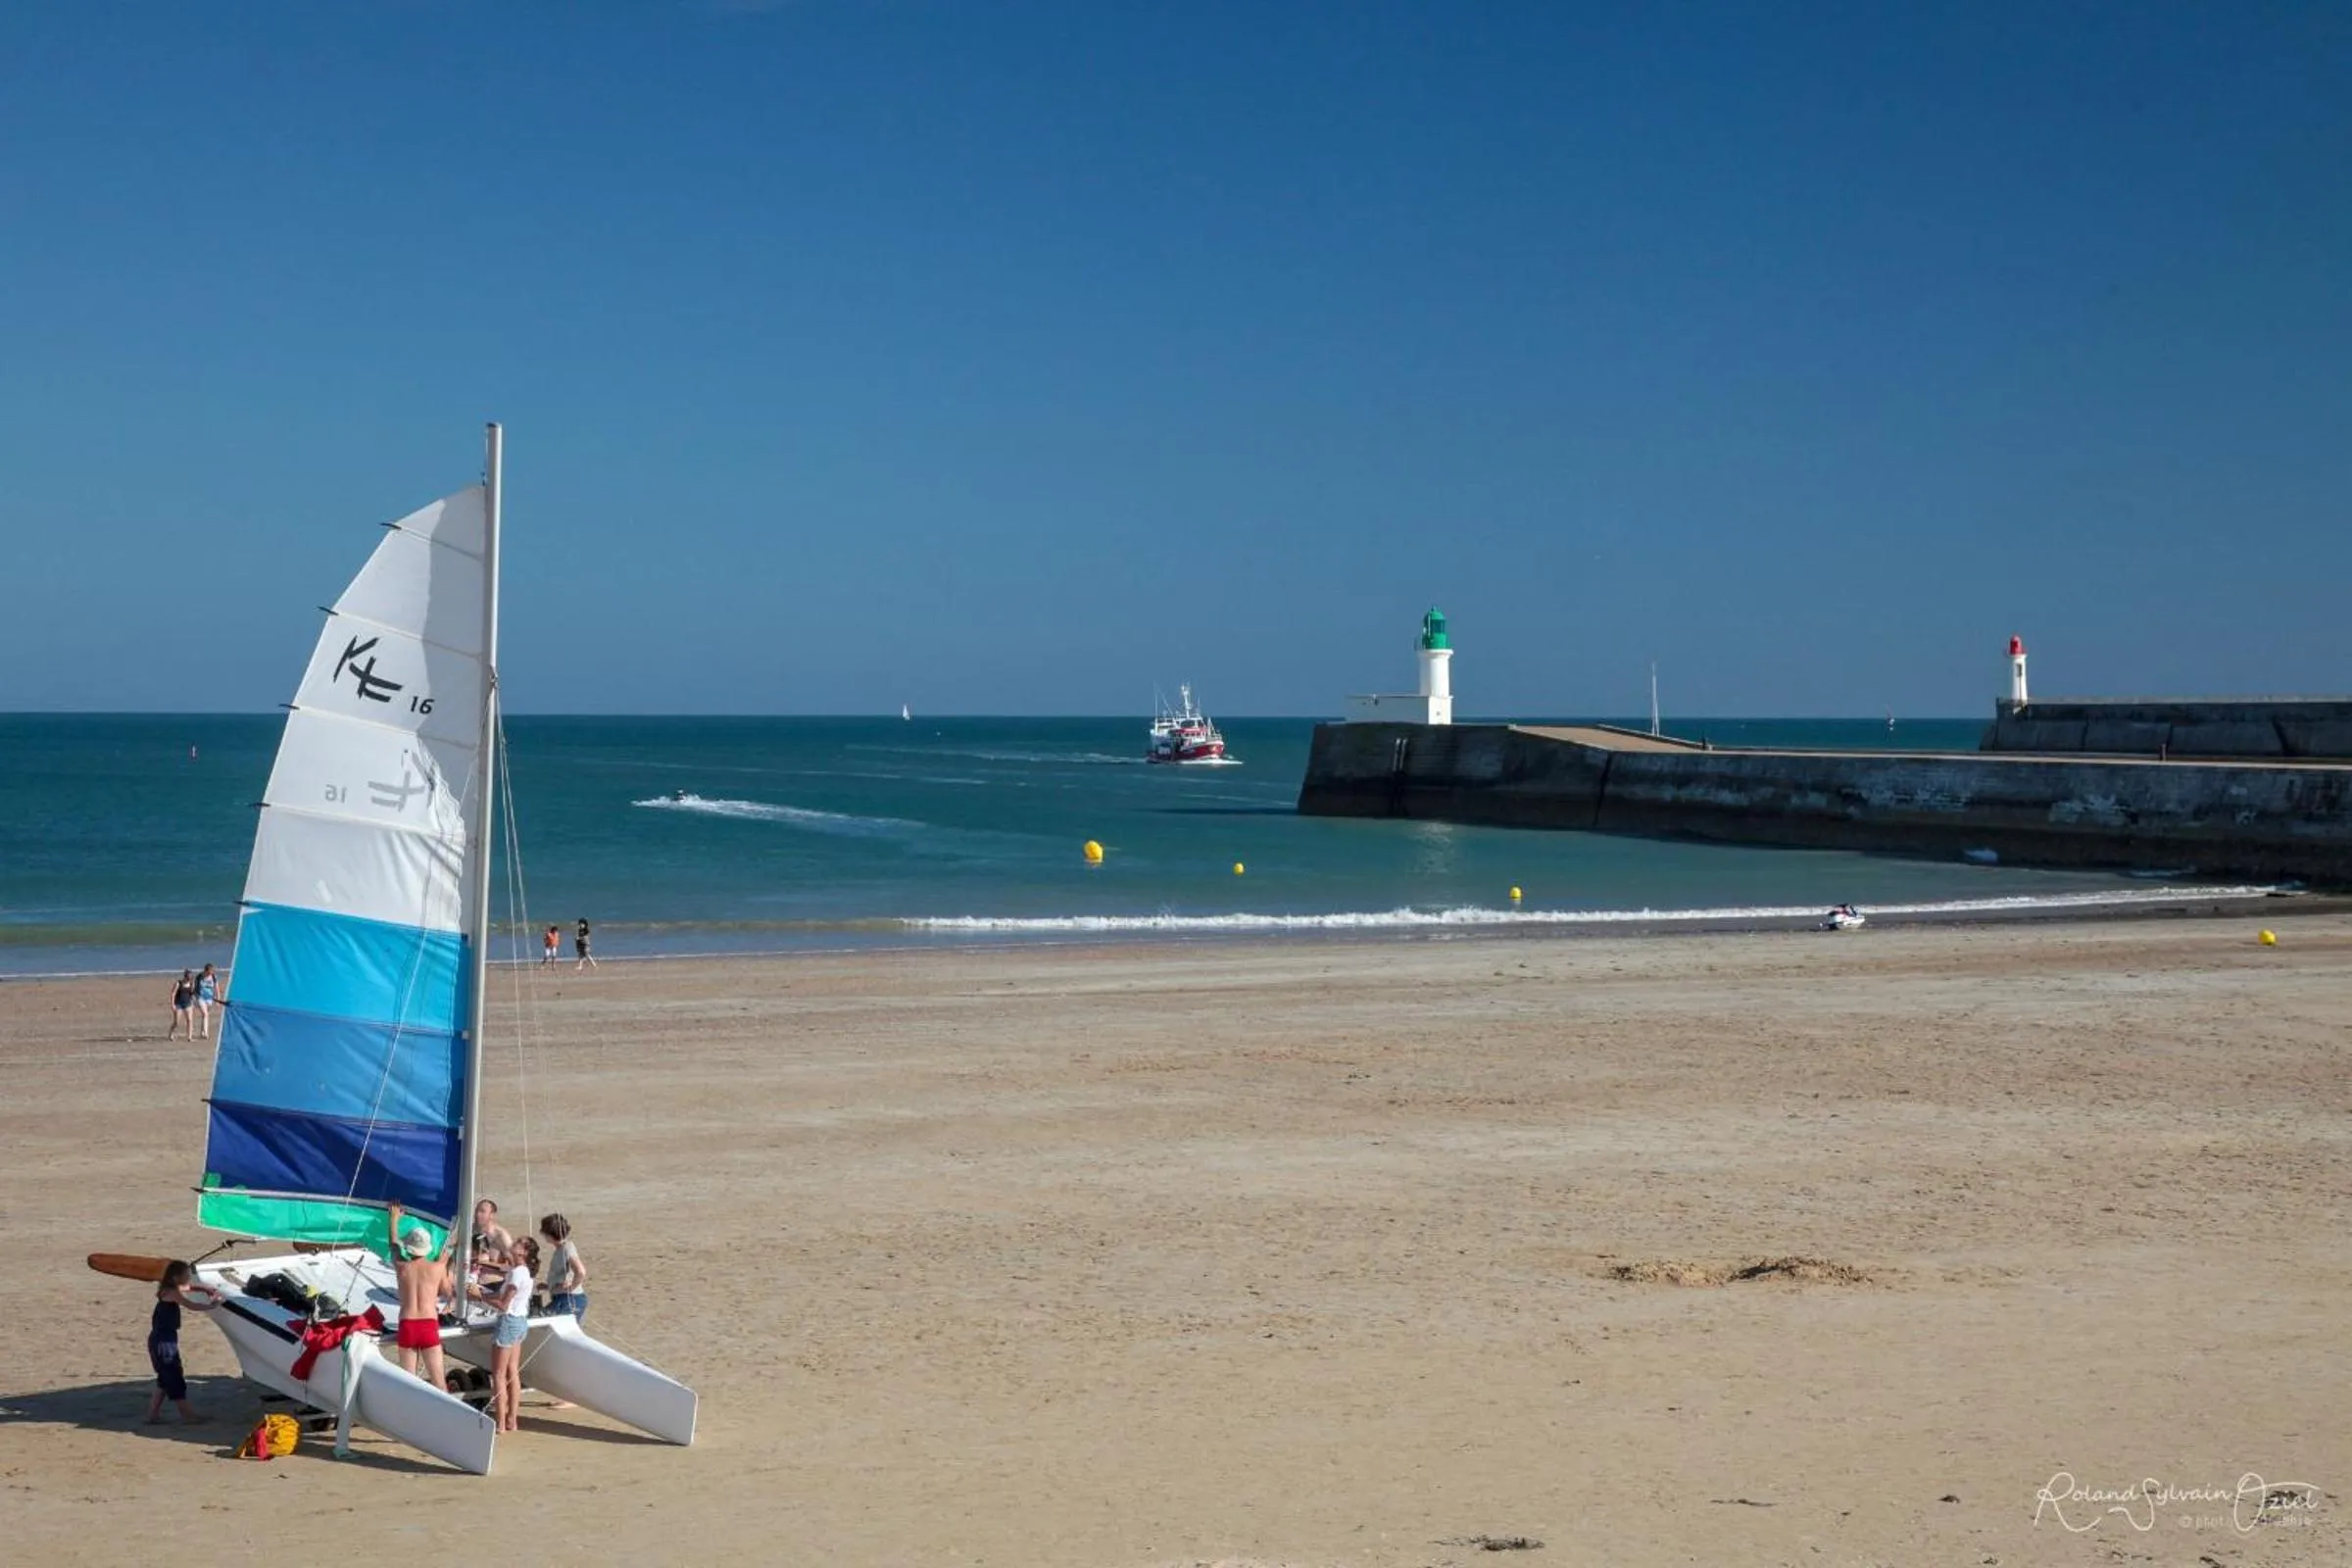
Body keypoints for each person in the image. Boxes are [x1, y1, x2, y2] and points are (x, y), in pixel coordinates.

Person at [386, 1201, 456, 1391]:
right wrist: (445, 1262)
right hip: (428, 1323)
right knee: (439, 1383)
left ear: (409, 1248)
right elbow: (448, 1292)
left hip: (408, 1323)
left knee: (409, 1385)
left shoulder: (402, 1267)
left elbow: (393, 1244)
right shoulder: (437, 1267)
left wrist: (394, 1218)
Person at [145, 1261, 220, 1423]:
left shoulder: (168, 1288)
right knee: (174, 1377)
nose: (188, 1278)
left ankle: (152, 1415)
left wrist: (205, 1289)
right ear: (175, 1277)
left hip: (162, 1338)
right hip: (163, 1342)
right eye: (186, 1275)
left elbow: (188, 1287)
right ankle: (188, 1416)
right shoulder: (172, 1292)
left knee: (164, 1379)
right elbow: (190, 1304)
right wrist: (211, 1306)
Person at [488, 1236, 539, 1433]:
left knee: (499, 1374)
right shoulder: (522, 1271)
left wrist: (479, 1296)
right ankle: (511, 1420)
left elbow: (503, 1304)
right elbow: (502, 1295)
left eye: (518, 1243)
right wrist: (479, 1294)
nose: (514, 1243)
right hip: (519, 1321)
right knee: (512, 1371)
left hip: (509, 1322)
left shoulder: (518, 1273)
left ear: (524, 1252)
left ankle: (501, 1422)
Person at [538, 1213, 587, 1321]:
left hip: (570, 1300)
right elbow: (564, 1275)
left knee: (541, 1320)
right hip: (562, 1299)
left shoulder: (567, 1248)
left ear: (550, 1233)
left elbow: (581, 1272)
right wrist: (548, 1286)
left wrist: (571, 1287)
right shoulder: (560, 1249)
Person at [194, 963, 220, 1040]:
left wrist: (218, 1000)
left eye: (211, 972)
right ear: (205, 971)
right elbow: (195, 988)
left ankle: (202, 1032)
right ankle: (206, 1033)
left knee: (205, 1015)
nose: (210, 974)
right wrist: (194, 998)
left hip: (209, 998)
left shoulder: (213, 977)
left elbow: (217, 988)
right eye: (208, 972)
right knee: (205, 1014)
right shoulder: (199, 976)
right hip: (200, 997)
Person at [167, 970, 196, 1040]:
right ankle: (171, 1033)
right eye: (187, 978)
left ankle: (189, 1037)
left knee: (189, 1020)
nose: (188, 980)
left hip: (188, 1003)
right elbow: (173, 994)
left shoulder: (191, 984)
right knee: (176, 1022)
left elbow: (192, 993)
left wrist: (193, 1001)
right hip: (178, 1004)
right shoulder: (178, 983)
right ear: (185, 977)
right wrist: (172, 1004)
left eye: (190, 979)